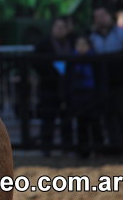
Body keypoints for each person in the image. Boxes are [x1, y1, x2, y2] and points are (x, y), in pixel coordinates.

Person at [90, 6, 123, 150]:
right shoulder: (92, 36)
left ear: (109, 16)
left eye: (102, 16)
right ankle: (113, 146)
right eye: (97, 17)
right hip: (102, 81)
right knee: (107, 114)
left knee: (122, 113)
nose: (100, 19)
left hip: (121, 81)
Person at [33, 17, 74, 156]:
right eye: (57, 27)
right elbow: (36, 63)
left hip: (68, 87)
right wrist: (51, 72)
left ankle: (67, 147)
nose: (60, 30)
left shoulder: (73, 42)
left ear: (67, 29)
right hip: (48, 87)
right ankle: (46, 148)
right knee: (48, 119)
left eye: (63, 27)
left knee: (67, 119)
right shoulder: (43, 44)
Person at [64, 35, 102, 158]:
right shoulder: (72, 60)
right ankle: (83, 152)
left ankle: (98, 150)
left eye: (84, 44)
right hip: (77, 97)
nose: (81, 47)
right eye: (78, 45)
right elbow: (67, 80)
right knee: (81, 125)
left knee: (95, 124)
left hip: (92, 96)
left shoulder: (95, 59)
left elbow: (100, 79)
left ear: (89, 46)